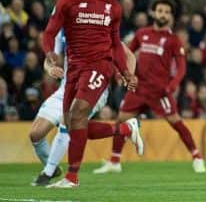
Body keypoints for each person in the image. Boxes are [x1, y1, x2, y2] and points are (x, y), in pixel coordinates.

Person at [41, 0, 142, 188]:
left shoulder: (113, 6)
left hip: (99, 66)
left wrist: (126, 72)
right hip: (73, 69)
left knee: (77, 115)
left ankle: (72, 177)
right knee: (71, 123)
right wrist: (49, 54)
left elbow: (116, 44)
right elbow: (49, 33)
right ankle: (125, 128)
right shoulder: (68, 0)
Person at [94, 0, 206, 174]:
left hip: (160, 91)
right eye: (160, 10)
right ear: (153, 13)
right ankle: (115, 161)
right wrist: (122, 72)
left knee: (176, 123)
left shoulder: (173, 40)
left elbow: (182, 67)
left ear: (171, 17)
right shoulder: (142, 34)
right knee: (121, 121)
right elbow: (126, 54)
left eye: (167, 12)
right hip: (138, 89)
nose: (163, 14)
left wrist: (172, 85)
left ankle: (197, 157)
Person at [29, 31, 136, 186]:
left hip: (94, 88)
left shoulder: (98, 24)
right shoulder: (62, 32)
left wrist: (128, 75)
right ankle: (125, 129)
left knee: (68, 123)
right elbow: (49, 60)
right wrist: (50, 69)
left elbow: (129, 55)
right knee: (35, 134)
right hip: (65, 89)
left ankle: (49, 173)